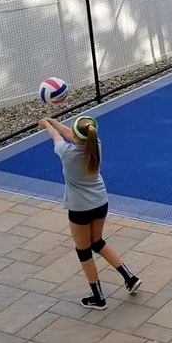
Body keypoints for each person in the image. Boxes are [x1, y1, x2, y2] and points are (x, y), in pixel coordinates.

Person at [39, 116, 141, 309]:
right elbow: (73, 134)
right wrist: (53, 121)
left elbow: (58, 137)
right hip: (100, 202)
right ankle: (129, 277)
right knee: (98, 242)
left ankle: (98, 296)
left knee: (83, 250)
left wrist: (47, 124)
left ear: (76, 135)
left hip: (79, 208)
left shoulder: (66, 153)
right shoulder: (96, 146)